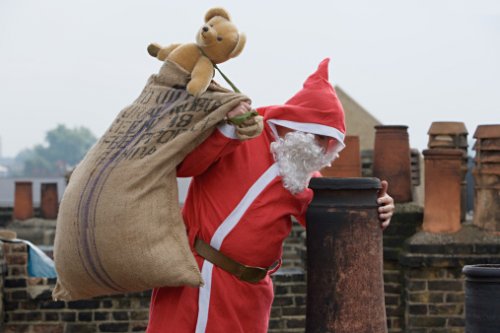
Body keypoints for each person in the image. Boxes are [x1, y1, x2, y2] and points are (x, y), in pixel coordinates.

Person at [146, 58, 395, 333]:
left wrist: (376, 212)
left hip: (251, 295)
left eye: (329, 142)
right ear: (299, 123)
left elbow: (336, 224)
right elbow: (184, 166)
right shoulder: (240, 132)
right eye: (320, 137)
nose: (322, 149)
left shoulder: (303, 176)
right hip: (196, 279)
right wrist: (226, 129)